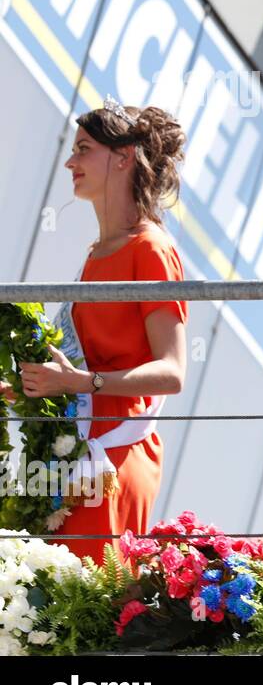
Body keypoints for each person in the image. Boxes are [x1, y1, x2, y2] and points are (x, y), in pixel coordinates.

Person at [0, 98, 189, 563]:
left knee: (78, 614)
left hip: (114, 457)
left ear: (123, 158)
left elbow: (173, 372)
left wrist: (81, 383)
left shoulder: (151, 248)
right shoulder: (97, 253)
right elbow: (83, 363)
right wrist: (26, 389)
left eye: (83, 149)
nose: (70, 161)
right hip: (78, 458)